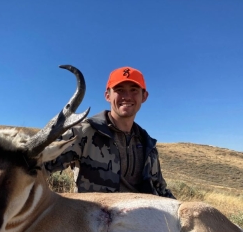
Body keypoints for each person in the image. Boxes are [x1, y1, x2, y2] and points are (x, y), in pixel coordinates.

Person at [45, 66, 175, 198]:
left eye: (134, 90)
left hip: (142, 216)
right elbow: (38, 164)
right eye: (119, 90)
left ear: (144, 96)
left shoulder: (148, 145)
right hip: (94, 216)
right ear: (107, 95)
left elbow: (160, 190)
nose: (127, 97)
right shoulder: (83, 132)